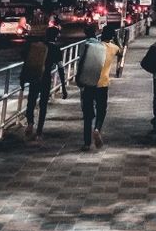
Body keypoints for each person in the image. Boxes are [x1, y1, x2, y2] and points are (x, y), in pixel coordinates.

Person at [75, 22, 121, 151]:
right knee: (102, 110)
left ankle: (86, 143)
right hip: (103, 84)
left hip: (89, 82)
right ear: (111, 36)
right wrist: (116, 38)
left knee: (88, 114)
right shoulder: (113, 48)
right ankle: (97, 129)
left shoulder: (95, 46)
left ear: (101, 35)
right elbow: (121, 51)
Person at [21, 26, 68, 141]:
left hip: (35, 77)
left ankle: (30, 123)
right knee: (43, 105)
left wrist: (22, 79)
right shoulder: (56, 49)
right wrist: (63, 85)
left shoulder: (38, 47)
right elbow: (60, 68)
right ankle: (39, 131)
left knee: (31, 102)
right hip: (46, 79)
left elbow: (27, 62)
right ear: (56, 37)